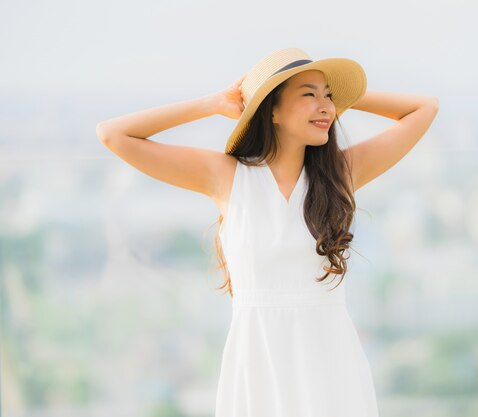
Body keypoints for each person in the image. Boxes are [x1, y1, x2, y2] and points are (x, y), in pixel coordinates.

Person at [96, 47, 439, 416]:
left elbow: (424, 109)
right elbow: (114, 134)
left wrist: (343, 97)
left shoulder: (341, 173)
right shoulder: (226, 176)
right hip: (258, 361)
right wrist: (212, 103)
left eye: (329, 96)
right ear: (271, 109)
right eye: (309, 94)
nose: (326, 106)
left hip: (330, 361)